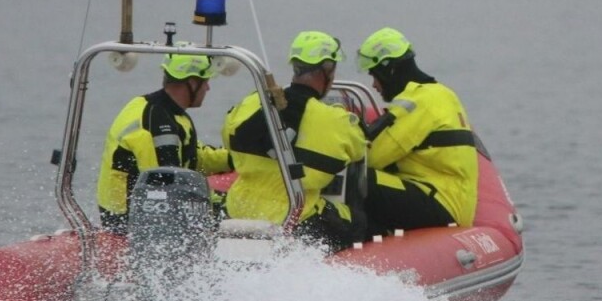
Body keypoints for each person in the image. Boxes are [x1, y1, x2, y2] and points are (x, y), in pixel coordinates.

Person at [222, 31, 367, 251]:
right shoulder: (336, 120)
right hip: (297, 215)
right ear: (327, 70)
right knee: (359, 222)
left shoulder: (252, 102)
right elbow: (358, 151)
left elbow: (226, 137)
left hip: (239, 208)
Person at [357, 27, 479, 235]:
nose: (374, 85)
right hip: (452, 199)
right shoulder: (442, 94)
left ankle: (347, 242)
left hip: (439, 201)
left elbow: (373, 156)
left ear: (390, 70)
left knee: (354, 177)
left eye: (375, 75)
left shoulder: (416, 103)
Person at [97, 52, 232, 234]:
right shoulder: (157, 124)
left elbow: (194, 158)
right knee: (227, 212)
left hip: (147, 211)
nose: (207, 88)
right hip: (129, 222)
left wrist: (236, 159)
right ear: (191, 82)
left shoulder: (167, 112)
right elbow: (164, 184)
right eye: (205, 81)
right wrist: (215, 204)